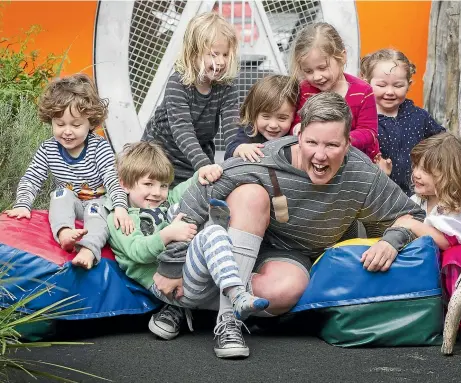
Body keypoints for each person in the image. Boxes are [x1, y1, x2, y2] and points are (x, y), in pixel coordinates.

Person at [153, 92, 426, 359]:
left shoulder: (361, 173)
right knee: (250, 194)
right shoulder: (263, 159)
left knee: (289, 289)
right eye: (312, 142)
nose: (320, 155)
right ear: (298, 135)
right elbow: (199, 196)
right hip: (231, 240)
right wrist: (173, 262)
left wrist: (391, 240)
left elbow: (411, 214)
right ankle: (228, 322)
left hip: (284, 255)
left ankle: (186, 302)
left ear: (347, 144)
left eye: (332, 145)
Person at [106, 141, 269, 359]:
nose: (157, 192)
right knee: (209, 231)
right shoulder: (121, 219)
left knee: (193, 212)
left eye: (163, 185)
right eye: (148, 184)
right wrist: (167, 234)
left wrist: (204, 172)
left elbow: (189, 187)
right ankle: (233, 292)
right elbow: (137, 252)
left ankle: (233, 286)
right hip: (168, 287)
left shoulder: (166, 202)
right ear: (124, 184)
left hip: (192, 275)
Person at [4, 74, 133, 270]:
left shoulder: (100, 148)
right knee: (59, 194)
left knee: (98, 212)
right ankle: (64, 232)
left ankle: (88, 250)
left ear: (91, 122)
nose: (67, 131)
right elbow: (32, 178)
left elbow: (112, 179)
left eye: (76, 124)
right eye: (60, 124)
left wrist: (120, 207)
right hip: (69, 204)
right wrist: (23, 205)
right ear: (51, 121)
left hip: (96, 202)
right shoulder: (48, 149)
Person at [398, 132, 461, 346]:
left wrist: (412, 224)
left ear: (450, 175)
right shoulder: (420, 200)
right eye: (416, 167)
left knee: (454, 257)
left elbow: (447, 241)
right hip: (432, 264)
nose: (416, 174)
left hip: (460, 264)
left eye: (426, 171)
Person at [142, 12, 240, 187]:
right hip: (161, 155)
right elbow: (182, 130)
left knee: (201, 193)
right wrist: (203, 165)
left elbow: (231, 127)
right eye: (214, 54)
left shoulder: (227, 87)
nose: (221, 61)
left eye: (225, 55)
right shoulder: (178, 83)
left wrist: (238, 150)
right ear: (193, 53)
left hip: (197, 155)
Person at [288, 22, 379, 161]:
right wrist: (298, 129)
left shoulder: (363, 91)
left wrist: (339, 141)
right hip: (316, 161)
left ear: (341, 57)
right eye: (308, 71)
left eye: (322, 68)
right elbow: (295, 123)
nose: (316, 76)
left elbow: (369, 132)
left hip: (354, 163)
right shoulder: (305, 90)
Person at [360, 48, 445, 194]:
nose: (390, 91)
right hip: (378, 197)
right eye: (381, 85)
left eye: (398, 85)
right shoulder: (363, 121)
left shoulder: (419, 117)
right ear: (367, 83)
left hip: (417, 195)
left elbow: (443, 143)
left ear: (409, 85)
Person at [224, 75, 298, 162]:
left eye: (282, 118)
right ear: (254, 114)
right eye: (266, 117)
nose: (273, 125)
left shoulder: (295, 135)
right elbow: (229, 153)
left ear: (294, 116)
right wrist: (241, 148)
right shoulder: (250, 129)